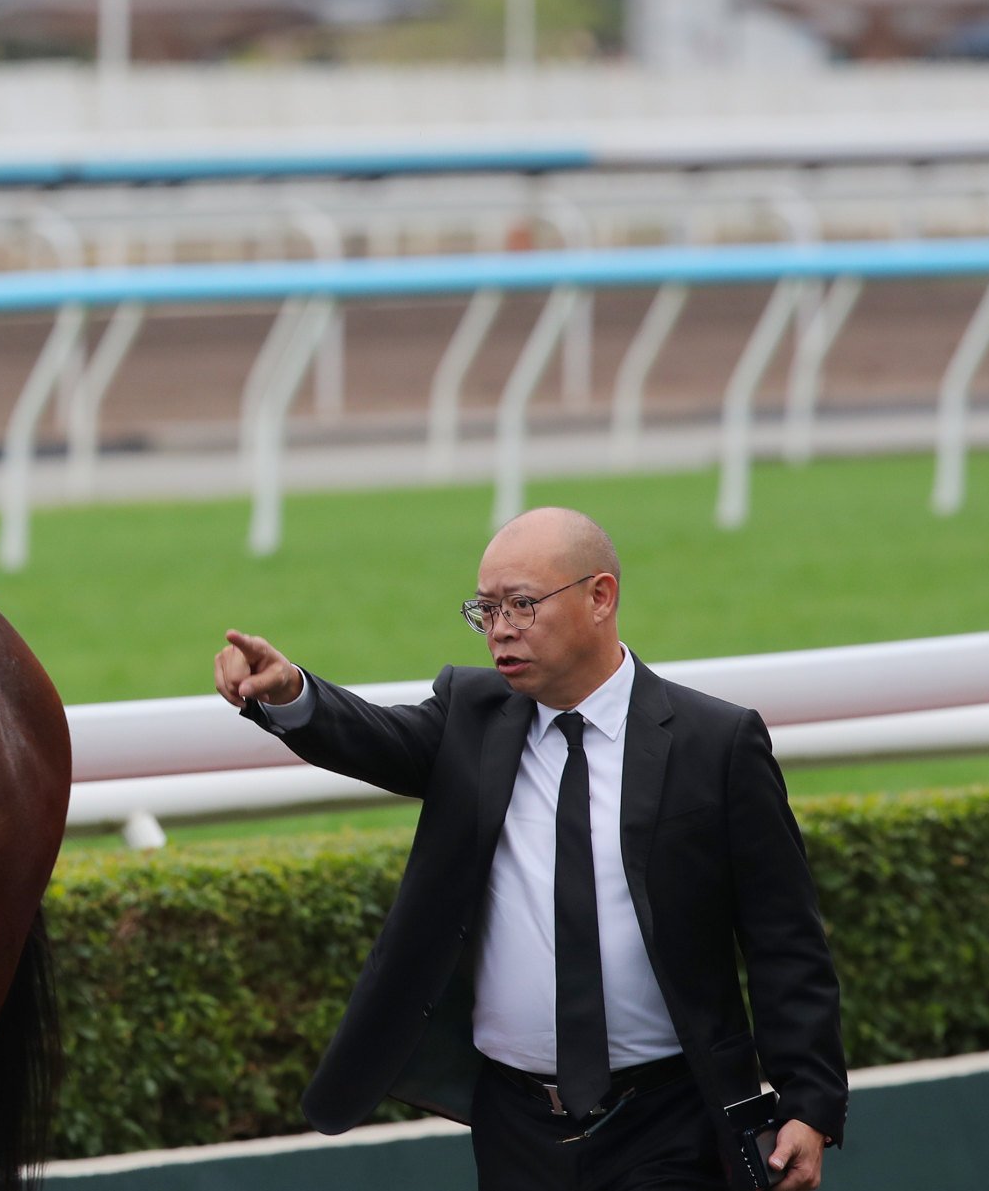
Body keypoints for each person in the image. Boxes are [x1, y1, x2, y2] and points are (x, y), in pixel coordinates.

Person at [213, 507, 846, 1191]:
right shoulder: (470, 716)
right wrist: (289, 693)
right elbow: (373, 736)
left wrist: (807, 1105)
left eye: (520, 604)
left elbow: (784, 937)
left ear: (599, 596)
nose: (500, 629)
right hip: (514, 1124)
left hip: (672, 1119)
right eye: (484, 609)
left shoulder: (715, 742)